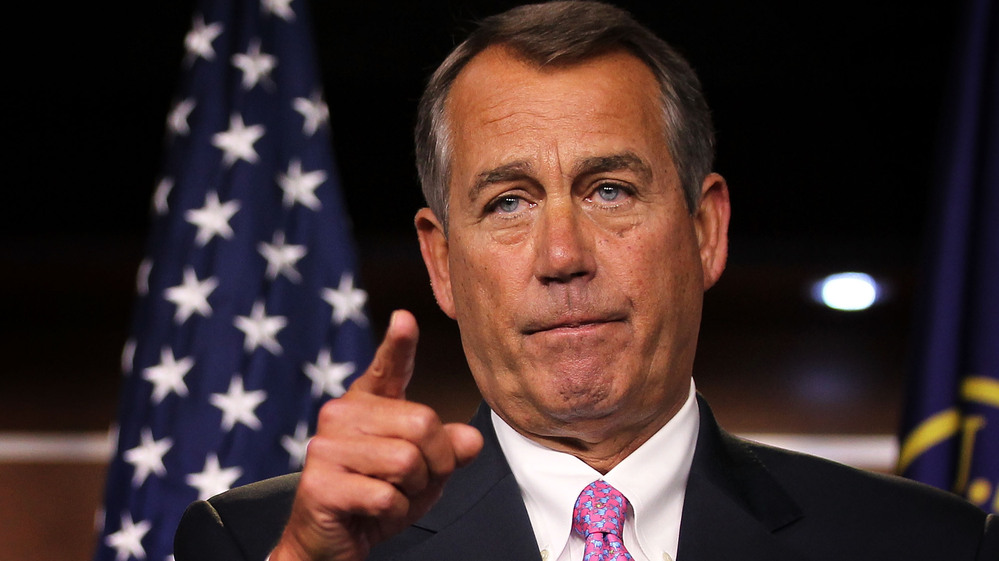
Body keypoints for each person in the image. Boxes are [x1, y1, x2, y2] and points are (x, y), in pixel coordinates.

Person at [174, 2, 998, 560]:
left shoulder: (925, 543)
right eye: (507, 202)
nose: (561, 253)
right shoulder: (264, 541)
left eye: (610, 190)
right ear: (441, 263)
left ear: (704, 231)